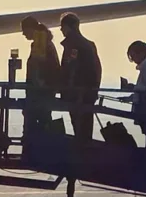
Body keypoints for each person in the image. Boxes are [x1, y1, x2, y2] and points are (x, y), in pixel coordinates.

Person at [57, 12, 102, 142]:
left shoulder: (74, 46)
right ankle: (85, 148)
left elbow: (71, 68)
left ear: (68, 27)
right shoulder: (89, 45)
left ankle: (82, 150)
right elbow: (97, 70)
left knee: (80, 127)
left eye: (62, 27)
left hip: (77, 95)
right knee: (86, 127)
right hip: (87, 94)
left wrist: (67, 89)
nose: (61, 30)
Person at [21, 16, 60, 152]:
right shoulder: (45, 40)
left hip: (40, 92)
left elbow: (37, 65)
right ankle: (43, 150)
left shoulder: (40, 40)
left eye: (24, 30)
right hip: (45, 90)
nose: (23, 34)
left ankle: (34, 152)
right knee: (43, 120)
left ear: (30, 28)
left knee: (35, 121)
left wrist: (38, 84)